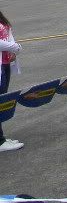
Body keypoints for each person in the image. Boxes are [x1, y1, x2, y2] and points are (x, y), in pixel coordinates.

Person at [0, 9, 24, 151]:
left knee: (2, 99)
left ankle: (1, 137)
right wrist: (15, 47)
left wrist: (13, 50)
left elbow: (8, 33)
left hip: (5, 64)